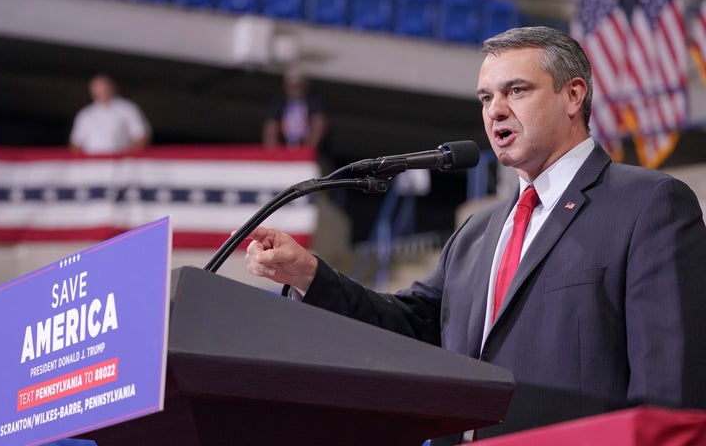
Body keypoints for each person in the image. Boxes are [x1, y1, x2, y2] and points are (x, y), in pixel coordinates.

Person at [243, 26, 706, 442]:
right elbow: (407, 329)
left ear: (573, 95)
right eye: (486, 98)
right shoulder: (477, 232)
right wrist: (310, 275)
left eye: (516, 91)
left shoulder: (648, 204)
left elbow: (668, 389)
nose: (496, 111)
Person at [69, 74, 151, 155]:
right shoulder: (85, 114)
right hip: (92, 164)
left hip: (120, 163)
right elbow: (76, 143)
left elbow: (141, 136)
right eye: (97, 88)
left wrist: (127, 156)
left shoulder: (127, 109)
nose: (101, 91)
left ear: (112, 87)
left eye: (104, 87)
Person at [262, 65, 327, 150]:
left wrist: (307, 150)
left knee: (318, 122)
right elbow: (270, 127)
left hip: (306, 145)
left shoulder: (314, 101)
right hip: (284, 145)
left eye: (298, 85)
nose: (295, 88)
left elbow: (319, 123)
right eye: (292, 85)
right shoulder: (279, 102)